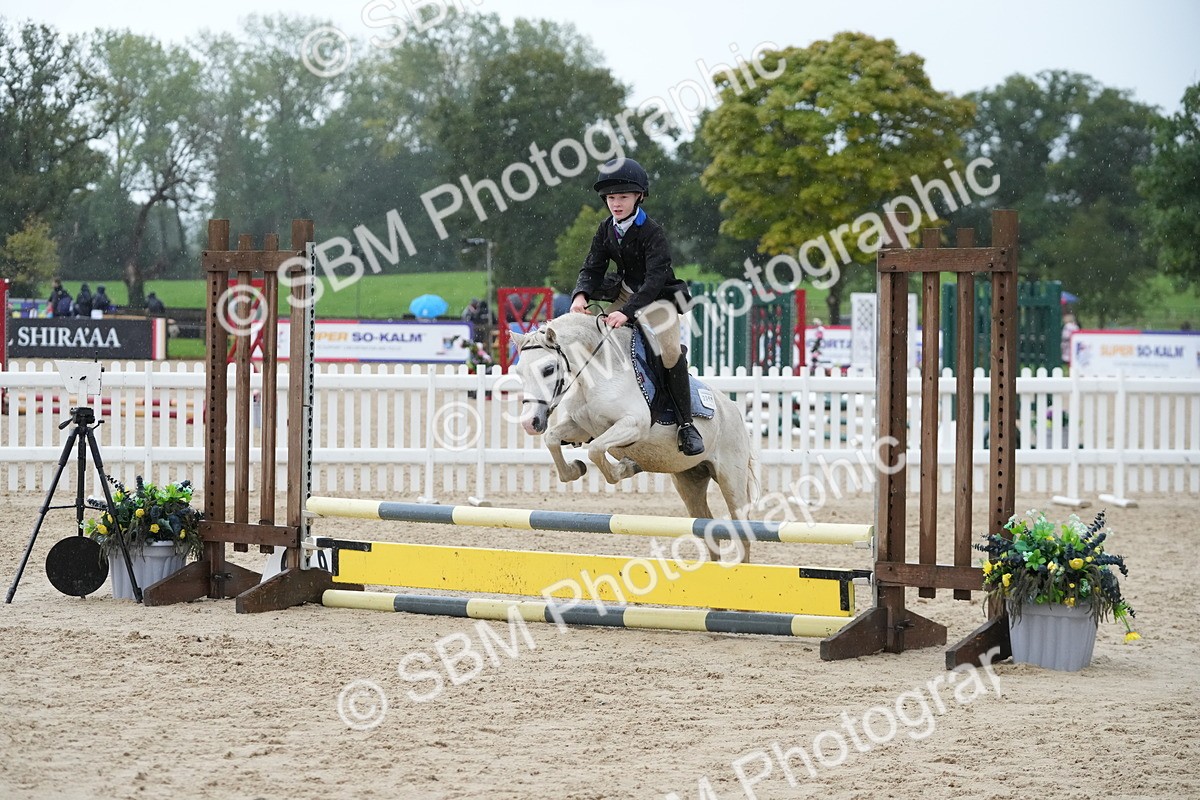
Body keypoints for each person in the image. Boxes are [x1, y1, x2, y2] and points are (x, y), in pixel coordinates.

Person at [569, 157, 703, 456]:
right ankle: (586, 417)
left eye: (623, 197)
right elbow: (592, 267)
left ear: (638, 197)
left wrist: (626, 312)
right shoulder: (606, 229)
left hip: (659, 299)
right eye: (611, 198)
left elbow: (654, 281)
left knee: (669, 352)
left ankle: (686, 425)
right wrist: (580, 296)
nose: (616, 204)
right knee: (597, 344)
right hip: (626, 293)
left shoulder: (652, 231)